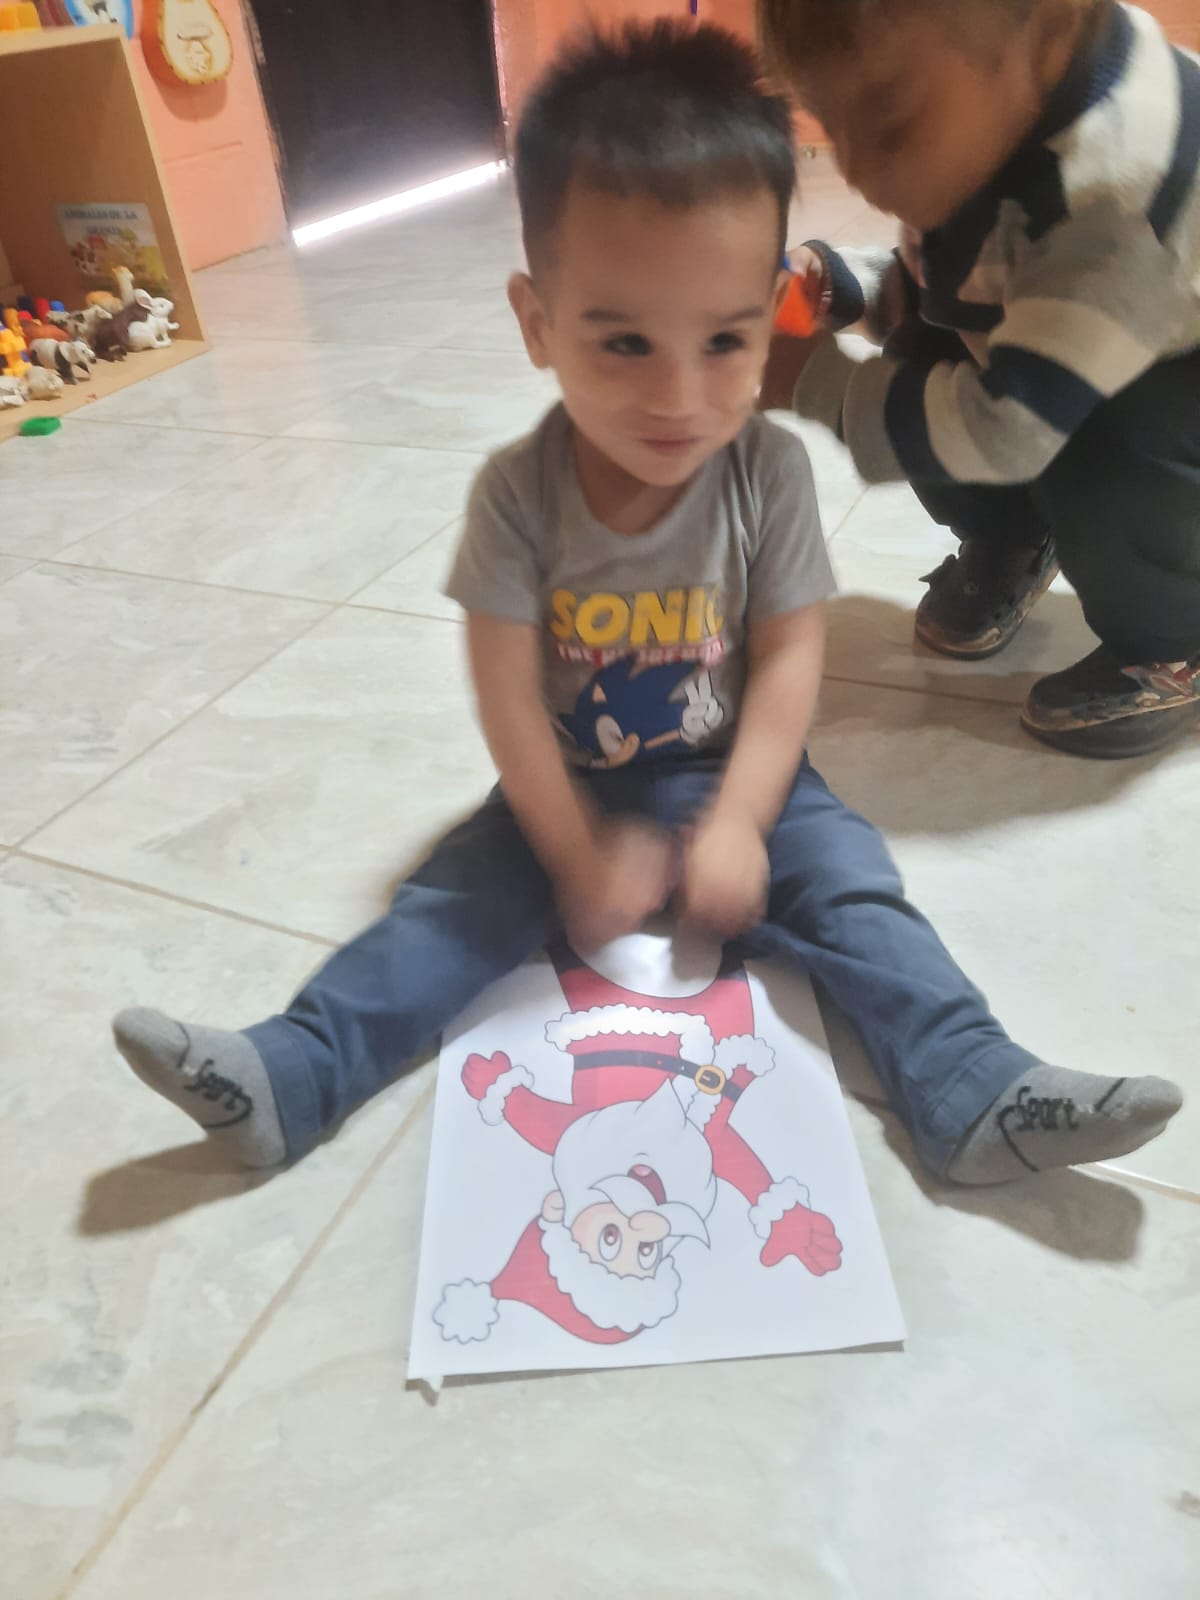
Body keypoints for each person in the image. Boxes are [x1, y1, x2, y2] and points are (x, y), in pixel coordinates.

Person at [113, 21, 1180, 1193]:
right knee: (446, 904)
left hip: (747, 774)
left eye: (725, 341)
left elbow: (788, 665)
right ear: (537, 324)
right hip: (570, 781)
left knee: (857, 887)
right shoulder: (517, 495)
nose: (678, 397)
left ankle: (971, 1084)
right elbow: (505, 694)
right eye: (623, 341)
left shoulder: (769, 473)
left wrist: (743, 820)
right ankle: (295, 1068)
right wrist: (570, 848)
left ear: (771, 312)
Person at [758, 0, 1200, 758]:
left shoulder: (1112, 200)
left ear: (1049, 30)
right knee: (929, 359)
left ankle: (1174, 639)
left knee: (1101, 453)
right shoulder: (1016, 88)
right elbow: (962, 283)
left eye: (891, 118)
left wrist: (816, 386)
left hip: (1170, 378)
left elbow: (1010, 430)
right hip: (1097, 328)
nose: (857, 171)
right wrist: (845, 291)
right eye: (832, 124)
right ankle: (1015, 534)